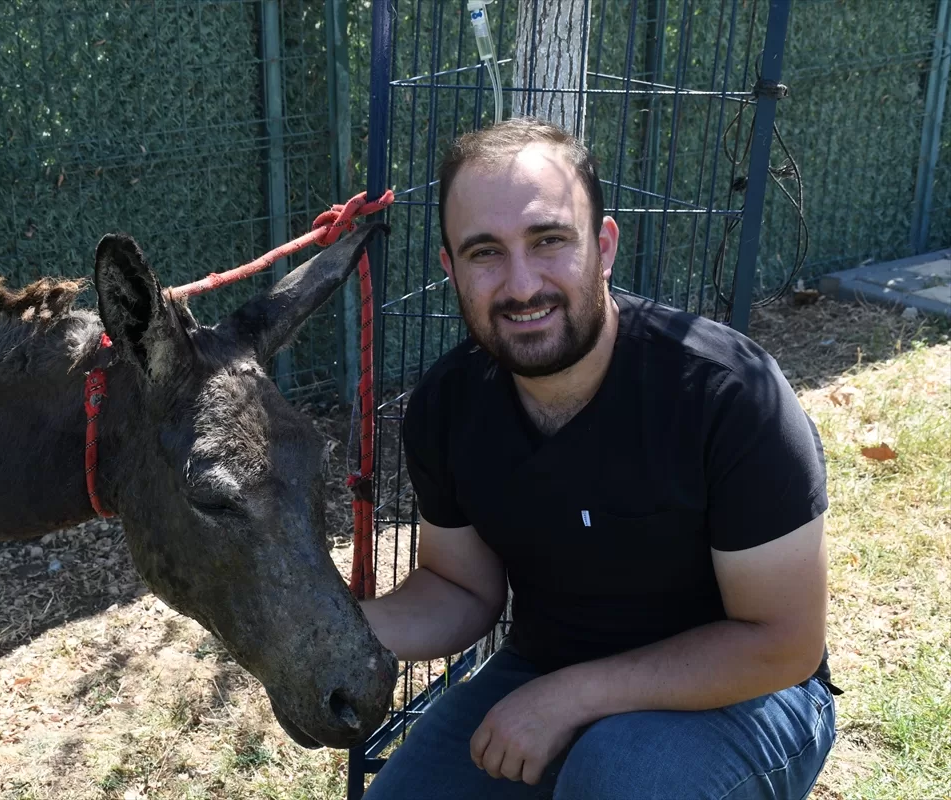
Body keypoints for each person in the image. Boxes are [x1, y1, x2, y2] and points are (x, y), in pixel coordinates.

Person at [358, 117, 839, 800]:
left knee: (616, 778)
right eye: (485, 252)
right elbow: (460, 590)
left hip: (750, 692)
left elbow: (783, 643)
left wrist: (572, 697)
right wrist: (333, 630)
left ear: (604, 245)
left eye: (549, 240)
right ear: (450, 269)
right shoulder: (448, 404)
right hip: (545, 669)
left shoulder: (727, 394)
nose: (522, 285)